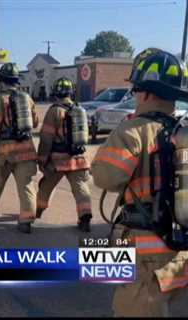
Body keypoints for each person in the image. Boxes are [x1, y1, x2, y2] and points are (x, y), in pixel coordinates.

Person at [92, 48, 188, 317]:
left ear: (145, 93)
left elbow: (106, 177)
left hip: (145, 251)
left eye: (135, 90)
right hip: (180, 248)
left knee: (136, 306)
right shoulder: (183, 131)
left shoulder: (133, 130)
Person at [0, 62, 39, 233]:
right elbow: (34, 123)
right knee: (26, 185)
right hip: (26, 149)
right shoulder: (26, 98)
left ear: (2, 81)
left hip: (5, 151)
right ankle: (26, 220)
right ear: (16, 81)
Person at [36, 77, 92, 232]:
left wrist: (42, 159)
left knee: (46, 186)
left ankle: (37, 211)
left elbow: (46, 138)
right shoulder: (79, 109)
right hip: (79, 158)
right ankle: (85, 215)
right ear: (70, 92)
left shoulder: (54, 110)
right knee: (81, 188)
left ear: (56, 92)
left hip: (58, 161)